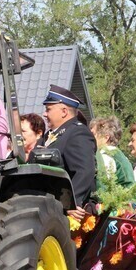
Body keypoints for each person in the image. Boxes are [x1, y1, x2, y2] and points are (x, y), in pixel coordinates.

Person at [38, 84, 97, 219]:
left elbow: (84, 170)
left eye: (48, 109)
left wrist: (70, 204)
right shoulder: (50, 135)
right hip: (47, 206)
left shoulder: (78, 132)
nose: (44, 114)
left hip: (64, 212)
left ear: (64, 111)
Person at [89, 116, 135, 187]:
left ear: (106, 138)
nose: (89, 138)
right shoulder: (119, 155)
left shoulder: (105, 156)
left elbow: (102, 186)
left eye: (93, 134)